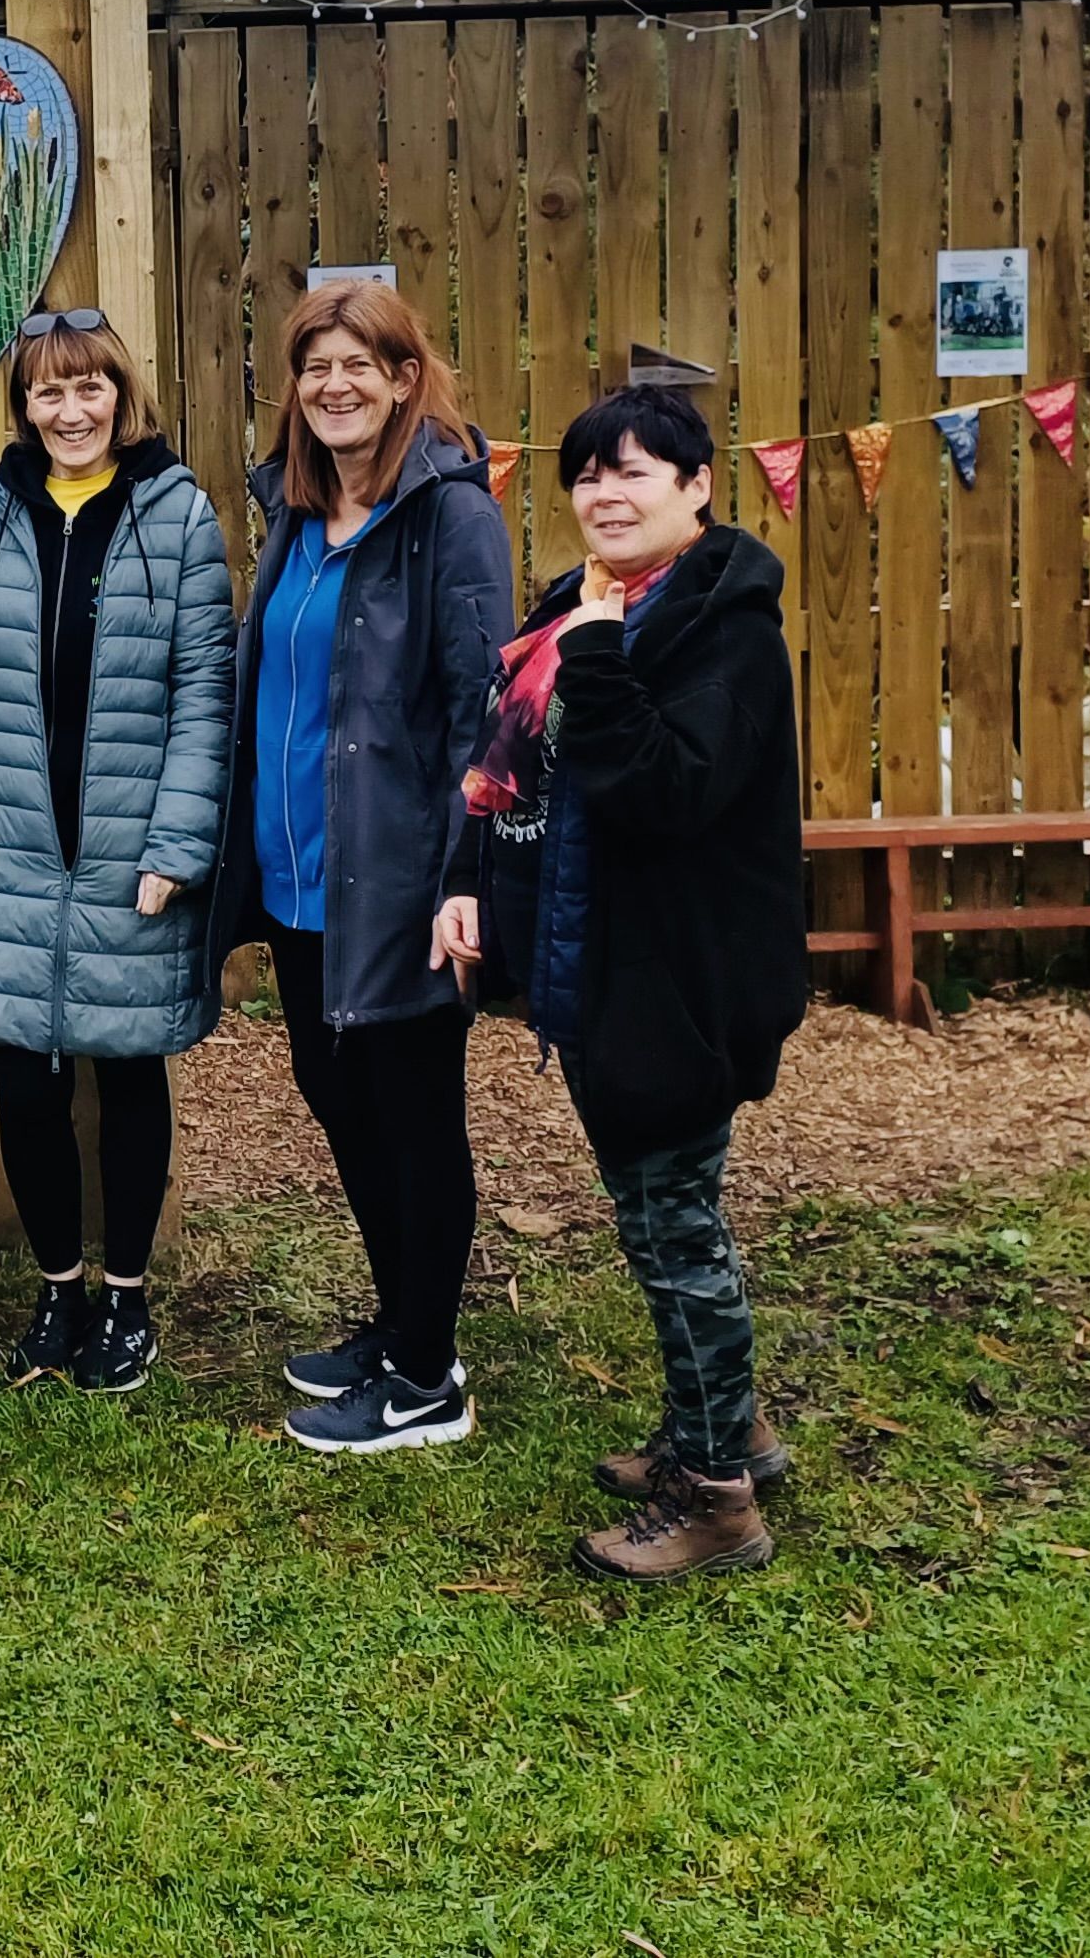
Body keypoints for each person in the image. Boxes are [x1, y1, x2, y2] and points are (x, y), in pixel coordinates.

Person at [433, 386, 807, 1581]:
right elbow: (508, 772)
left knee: (674, 1228)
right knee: (661, 1226)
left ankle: (716, 1499)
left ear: (697, 486)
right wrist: (467, 883)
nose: (606, 491)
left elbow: (663, 791)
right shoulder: (584, 608)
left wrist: (594, 659)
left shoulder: (721, 630)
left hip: (679, 982)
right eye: (590, 473)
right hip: (595, 969)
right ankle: (721, 1421)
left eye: (637, 471)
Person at [0, 306, 234, 1394]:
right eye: (49, 391)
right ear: (25, 408)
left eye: (88, 386)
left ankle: (127, 1300)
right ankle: (57, 1291)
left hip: (129, 855)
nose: (71, 408)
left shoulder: (178, 517)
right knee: (27, 1087)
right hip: (3, 847)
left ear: (118, 394)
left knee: (127, 1077)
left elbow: (203, 695)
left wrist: (177, 843)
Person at [207, 282, 511, 1455]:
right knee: (340, 1101)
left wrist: (461, 877)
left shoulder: (449, 514)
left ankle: (428, 1381)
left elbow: (485, 716)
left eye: (359, 365)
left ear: (401, 378)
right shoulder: (294, 514)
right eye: (313, 366)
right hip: (297, 881)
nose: (334, 385)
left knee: (414, 1119)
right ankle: (402, 1326)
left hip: (397, 884)